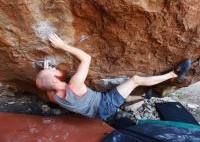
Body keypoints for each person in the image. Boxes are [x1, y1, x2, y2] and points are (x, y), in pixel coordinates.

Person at [36, 34, 191, 120]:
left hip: (94, 111)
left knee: (118, 92)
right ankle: (173, 75)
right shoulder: (74, 85)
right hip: (104, 105)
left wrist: (46, 73)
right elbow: (86, 58)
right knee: (135, 80)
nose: (54, 67)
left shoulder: (52, 95)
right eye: (53, 70)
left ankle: (144, 96)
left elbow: (46, 83)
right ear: (55, 79)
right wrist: (62, 46)